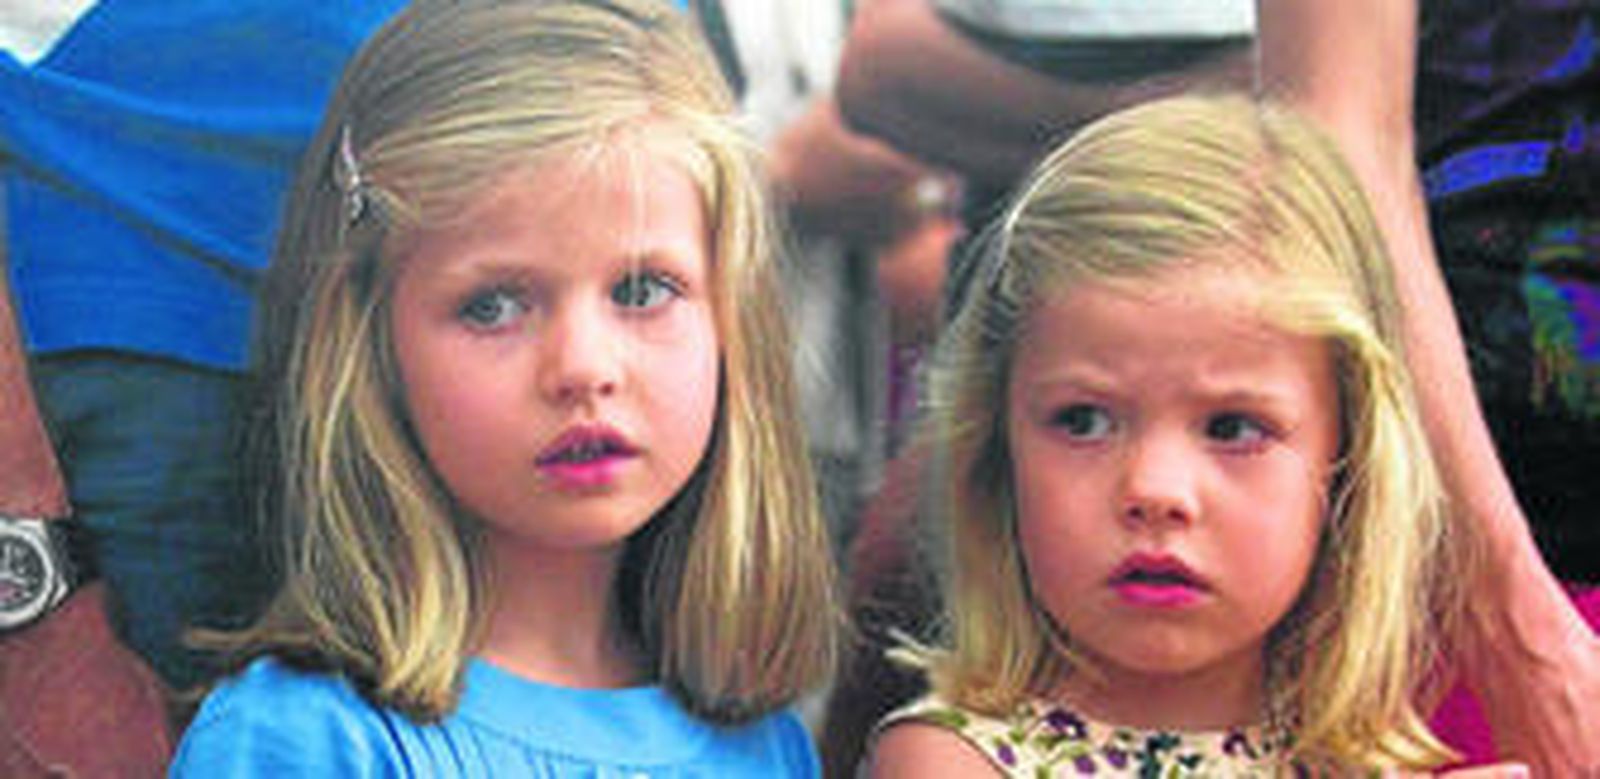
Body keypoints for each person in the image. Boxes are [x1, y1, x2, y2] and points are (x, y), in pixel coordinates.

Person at [168, 1, 839, 774]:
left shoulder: (766, 746)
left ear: (732, 321)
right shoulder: (307, 738)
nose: (583, 366)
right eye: (492, 305)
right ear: (370, 345)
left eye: (642, 290)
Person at [866, 94, 1491, 775]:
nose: (1154, 490)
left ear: (1348, 460)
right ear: (997, 452)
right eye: (1083, 420)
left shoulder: (1365, 760)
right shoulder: (949, 757)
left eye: (1232, 428)